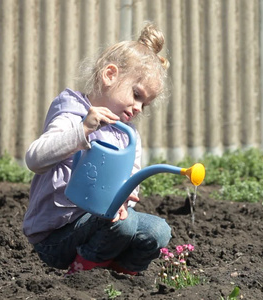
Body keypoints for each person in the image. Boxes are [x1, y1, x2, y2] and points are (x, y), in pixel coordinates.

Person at [22, 22, 171, 276]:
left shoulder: (129, 136)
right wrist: (82, 131)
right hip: (56, 236)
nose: (138, 108)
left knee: (159, 231)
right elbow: (35, 159)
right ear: (110, 75)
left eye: (144, 104)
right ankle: (82, 275)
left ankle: (117, 275)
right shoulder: (72, 115)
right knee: (123, 226)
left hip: (99, 227)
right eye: (136, 95)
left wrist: (125, 198)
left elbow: (131, 180)